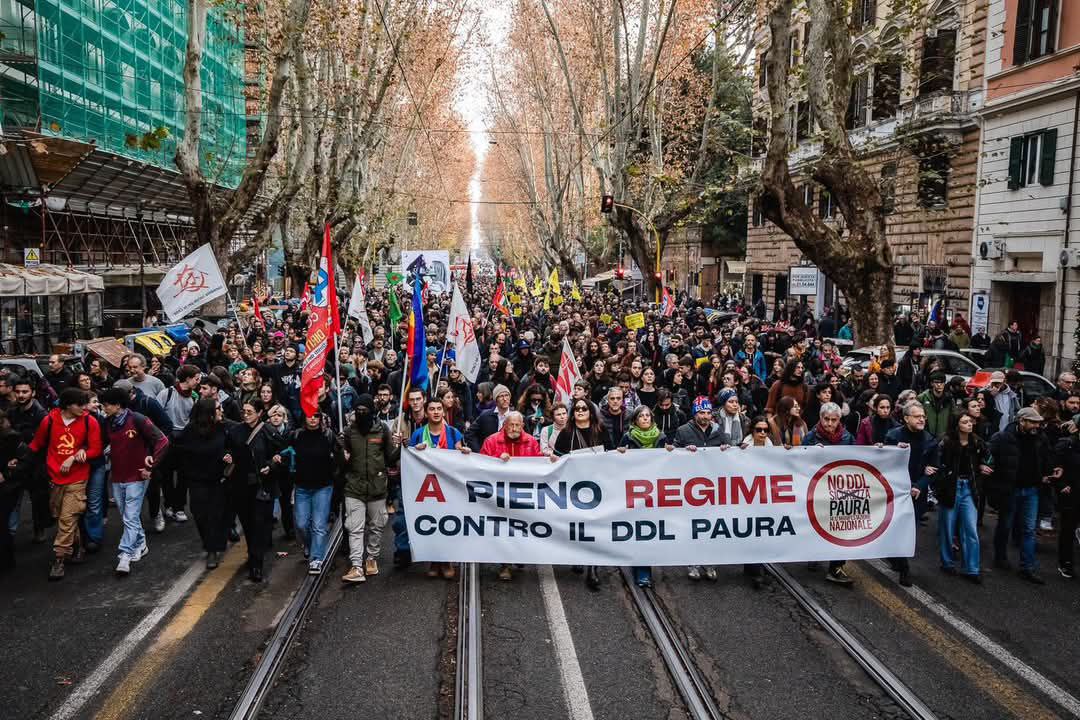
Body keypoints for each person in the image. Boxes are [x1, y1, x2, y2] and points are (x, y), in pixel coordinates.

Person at [29, 388, 104, 581]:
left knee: (67, 518)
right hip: (53, 478)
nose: (84, 408)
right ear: (67, 405)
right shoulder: (50, 420)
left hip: (78, 478)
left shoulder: (90, 421)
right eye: (79, 405)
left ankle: (59, 558)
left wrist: (78, 456)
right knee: (60, 515)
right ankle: (77, 545)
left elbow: (96, 449)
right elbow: (36, 444)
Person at [99, 387, 169, 575]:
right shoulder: (108, 423)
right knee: (126, 515)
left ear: (117, 405)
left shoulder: (138, 419)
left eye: (106, 405)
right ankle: (141, 544)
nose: (103, 408)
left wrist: (150, 465)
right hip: (118, 476)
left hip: (137, 476)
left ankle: (125, 554)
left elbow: (162, 440)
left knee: (130, 516)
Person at [988, 407, 1060, 584]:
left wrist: (1051, 470)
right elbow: (989, 460)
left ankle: (1027, 567)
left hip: (1032, 490)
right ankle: (1000, 557)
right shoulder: (1002, 438)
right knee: (1006, 525)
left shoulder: (1040, 438)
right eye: (1033, 422)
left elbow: (1047, 458)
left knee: (1028, 529)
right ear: (1022, 421)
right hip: (1010, 490)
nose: (1037, 425)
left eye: (1038, 422)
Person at [340, 394, 401, 584]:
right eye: (358, 410)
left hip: (377, 488)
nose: (361, 413)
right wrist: (339, 448)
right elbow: (342, 456)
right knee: (355, 528)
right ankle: (356, 565)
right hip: (354, 487)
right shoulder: (349, 432)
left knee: (377, 525)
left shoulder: (382, 430)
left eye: (364, 410)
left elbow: (391, 457)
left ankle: (371, 557)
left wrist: (400, 446)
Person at [410, 397, 468, 579]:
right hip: (427, 488)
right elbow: (409, 460)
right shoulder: (418, 434)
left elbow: (460, 452)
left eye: (439, 409)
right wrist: (413, 450)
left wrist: (464, 452)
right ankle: (434, 560)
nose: (435, 412)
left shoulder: (453, 433)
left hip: (449, 488)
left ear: (444, 412)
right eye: (432, 409)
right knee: (431, 523)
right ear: (426, 413)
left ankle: (447, 560)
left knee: (448, 524)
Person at [616, 405, 673, 588]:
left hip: (656, 490)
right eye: (642, 416)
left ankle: (644, 566)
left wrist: (673, 452)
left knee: (650, 529)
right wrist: (620, 453)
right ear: (635, 420)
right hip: (634, 490)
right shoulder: (628, 437)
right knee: (639, 529)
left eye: (648, 416)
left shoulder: (662, 437)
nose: (645, 418)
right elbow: (616, 462)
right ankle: (641, 570)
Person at [673, 397, 729, 581]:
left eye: (707, 413)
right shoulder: (683, 431)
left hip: (712, 488)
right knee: (693, 527)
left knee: (712, 526)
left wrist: (728, 450)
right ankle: (693, 562)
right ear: (695, 414)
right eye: (701, 413)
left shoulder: (718, 431)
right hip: (690, 488)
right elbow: (671, 455)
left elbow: (729, 453)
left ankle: (710, 562)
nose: (705, 416)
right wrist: (682, 452)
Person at [884, 402, 938, 587]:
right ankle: (902, 565)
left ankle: (901, 561)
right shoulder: (893, 436)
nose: (922, 419)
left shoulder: (930, 440)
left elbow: (934, 469)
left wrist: (920, 485)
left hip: (917, 494)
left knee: (909, 529)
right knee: (896, 526)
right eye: (917, 416)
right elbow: (886, 464)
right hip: (897, 491)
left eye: (923, 416)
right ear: (906, 418)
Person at [803, 402, 856, 586]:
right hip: (817, 490)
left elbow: (856, 460)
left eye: (834, 420)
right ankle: (814, 554)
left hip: (838, 491)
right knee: (818, 524)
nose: (830, 424)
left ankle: (836, 567)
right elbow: (800, 461)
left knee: (839, 527)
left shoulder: (848, 438)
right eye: (826, 419)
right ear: (820, 418)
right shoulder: (811, 437)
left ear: (839, 420)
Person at [937, 412, 992, 583]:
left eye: (970, 421)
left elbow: (989, 457)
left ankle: (972, 568)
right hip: (951, 488)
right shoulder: (945, 442)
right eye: (965, 422)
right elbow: (936, 462)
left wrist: (985, 465)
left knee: (970, 529)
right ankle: (947, 562)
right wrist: (941, 481)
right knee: (947, 527)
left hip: (970, 487)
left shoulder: (977, 441)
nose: (970, 424)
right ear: (956, 424)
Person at [227, 400, 277, 582]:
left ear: (259, 413)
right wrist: (228, 457)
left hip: (261, 486)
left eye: (250, 411)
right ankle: (253, 552)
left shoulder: (268, 432)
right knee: (247, 524)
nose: (246, 415)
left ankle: (257, 564)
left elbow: (280, 454)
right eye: (244, 412)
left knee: (258, 523)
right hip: (240, 486)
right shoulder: (235, 432)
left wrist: (270, 465)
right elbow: (229, 451)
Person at [291, 411, 344, 575]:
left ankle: (316, 558)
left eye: (316, 416)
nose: (312, 419)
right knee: (301, 524)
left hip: (323, 486)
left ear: (320, 418)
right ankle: (308, 544)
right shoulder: (296, 436)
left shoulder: (328, 435)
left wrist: (341, 447)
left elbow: (340, 454)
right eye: (309, 415)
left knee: (319, 525)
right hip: (302, 487)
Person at [156, 365, 201, 525]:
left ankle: (179, 507)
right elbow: (156, 415)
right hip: (167, 440)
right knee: (166, 475)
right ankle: (169, 505)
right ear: (187, 378)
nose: (198, 381)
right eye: (196, 378)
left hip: (185, 440)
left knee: (184, 476)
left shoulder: (195, 397)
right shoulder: (166, 393)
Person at [7, 375, 49, 543]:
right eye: (18, 392)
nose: (21, 395)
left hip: (35, 464)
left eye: (25, 392)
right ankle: (9, 533)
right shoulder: (12, 412)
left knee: (38, 499)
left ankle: (40, 529)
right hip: (16, 461)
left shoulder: (41, 414)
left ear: (33, 393)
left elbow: (41, 443)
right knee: (12, 498)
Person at [1053, 421, 1080, 579]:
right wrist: (1062, 485)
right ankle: (1066, 563)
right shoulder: (1067, 445)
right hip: (1072, 493)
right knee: (1068, 529)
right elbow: (1056, 466)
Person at [918, 373, 956, 440]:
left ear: (945, 383)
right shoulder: (922, 397)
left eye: (942, 382)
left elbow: (953, 416)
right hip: (925, 435)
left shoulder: (949, 399)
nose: (939, 385)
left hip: (943, 436)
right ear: (932, 383)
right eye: (936, 382)